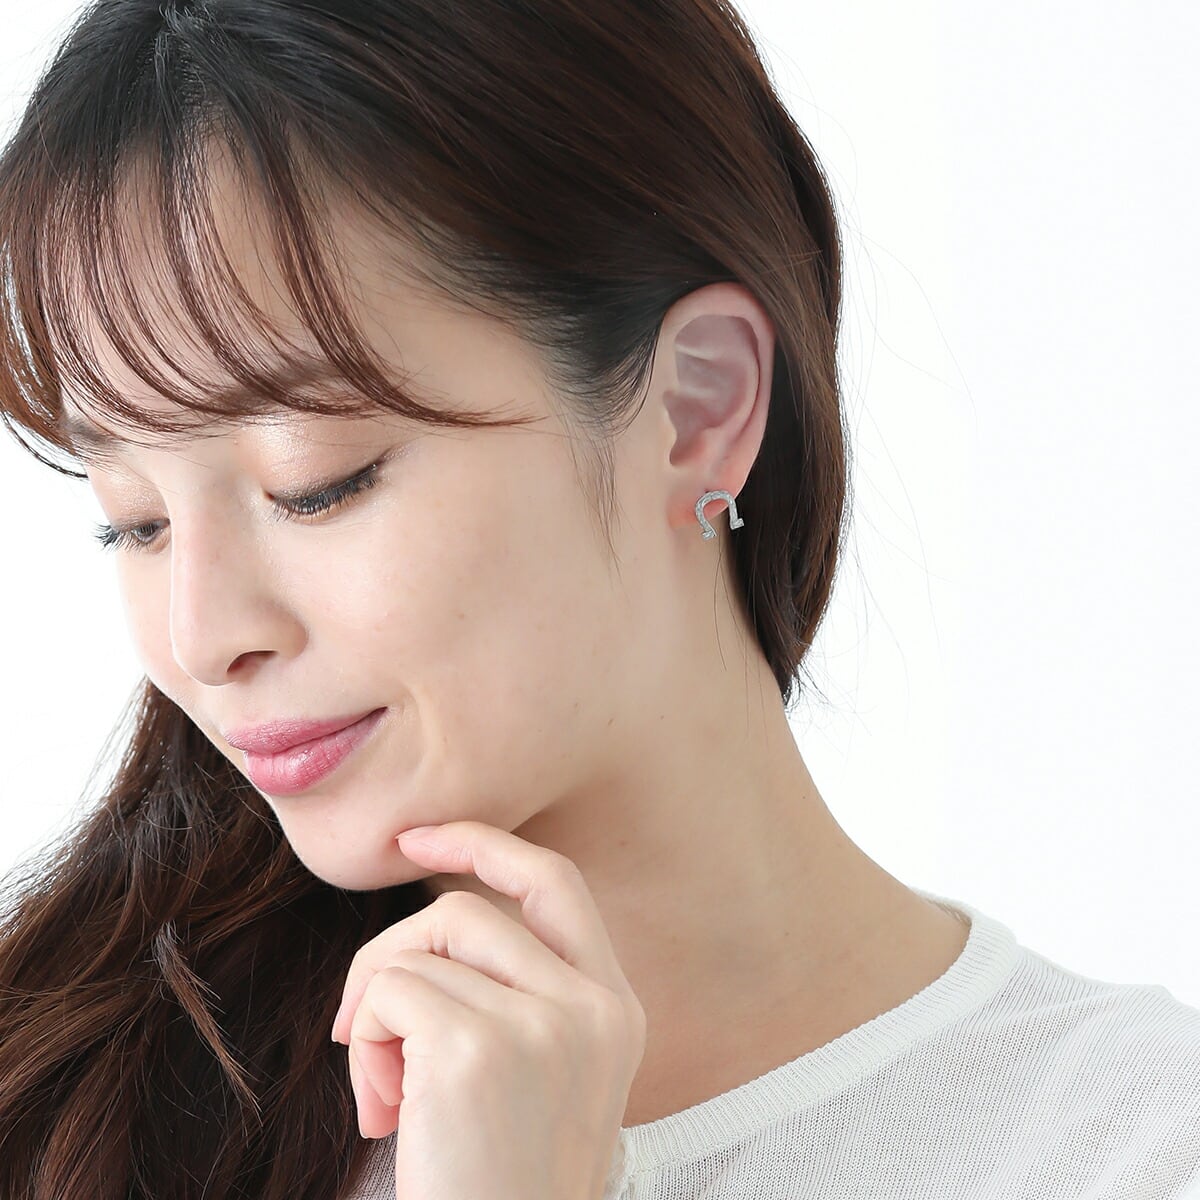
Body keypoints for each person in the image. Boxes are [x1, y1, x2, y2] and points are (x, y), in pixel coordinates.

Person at [0, 1, 1196, 1198]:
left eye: (315, 482)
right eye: (135, 519)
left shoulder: (1126, 1147)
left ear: (699, 406)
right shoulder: (63, 1114)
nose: (203, 636)